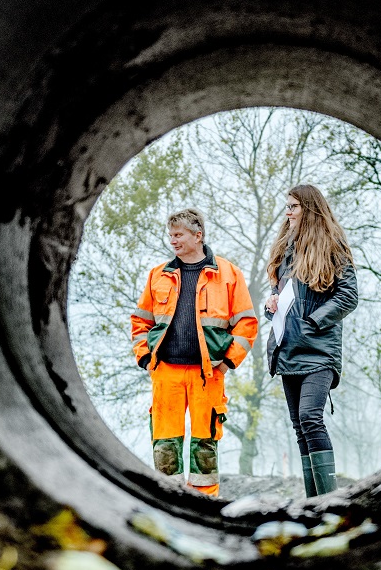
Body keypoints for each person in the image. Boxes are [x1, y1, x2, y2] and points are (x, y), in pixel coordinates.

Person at [130, 209, 258, 497]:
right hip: (165, 373)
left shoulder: (228, 274)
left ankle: (205, 502)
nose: (172, 240)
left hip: (208, 374)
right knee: (165, 444)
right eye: (170, 235)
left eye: (178, 235)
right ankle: (169, 500)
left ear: (197, 235)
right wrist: (143, 355)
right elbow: (140, 320)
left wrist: (228, 362)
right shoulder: (157, 275)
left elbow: (247, 323)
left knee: (205, 444)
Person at [264, 185, 358, 497]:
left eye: (293, 206)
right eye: (286, 206)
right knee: (299, 427)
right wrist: (272, 304)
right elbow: (286, 296)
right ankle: (313, 503)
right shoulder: (285, 249)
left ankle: (330, 500)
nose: (287, 212)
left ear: (310, 208)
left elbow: (349, 295)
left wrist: (313, 321)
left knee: (310, 417)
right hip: (287, 350)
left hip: (319, 351)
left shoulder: (333, 245)